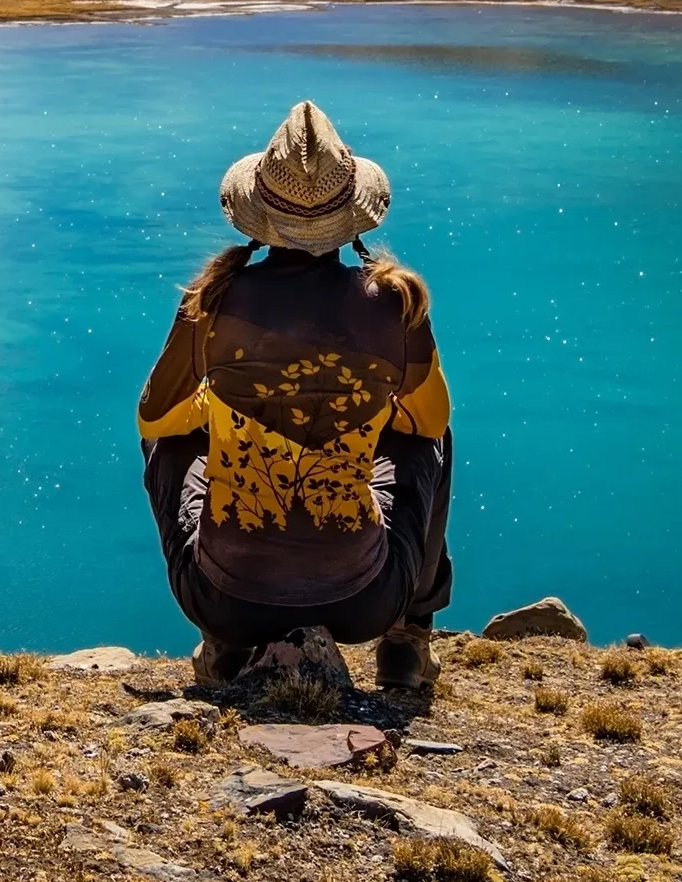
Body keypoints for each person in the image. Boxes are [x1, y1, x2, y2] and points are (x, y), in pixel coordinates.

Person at [135, 100, 452, 693]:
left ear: (258, 214)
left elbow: (153, 419)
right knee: (433, 442)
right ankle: (408, 637)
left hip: (225, 599)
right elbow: (428, 424)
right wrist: (350, 410)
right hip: (366, 600)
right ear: (352, 218)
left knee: (169, 443)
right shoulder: (396, 303)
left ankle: (226, 646)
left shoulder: (210, 302)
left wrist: (227, 407)